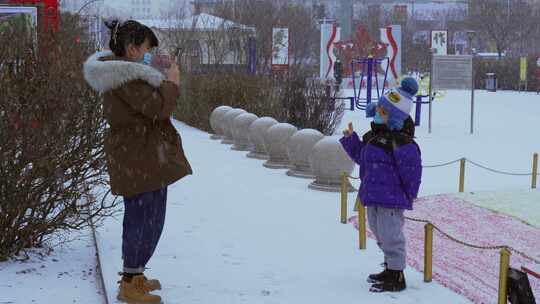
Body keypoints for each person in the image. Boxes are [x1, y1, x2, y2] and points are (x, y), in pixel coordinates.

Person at [83, 20, 193, 303]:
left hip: (143, 156)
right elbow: (158, 108)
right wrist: (172, 84)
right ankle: (129, 283)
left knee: (152, 217)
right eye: (147, 49)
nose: (150, 54)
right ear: (132, 49)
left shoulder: (129, 74)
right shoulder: (123, 78)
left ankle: (136, 275)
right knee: (141, 219)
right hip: (136, 158)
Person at [339, 77, 422, 293]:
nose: (378, 113)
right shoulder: (373, 136)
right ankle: (389, 267)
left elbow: (412, 173)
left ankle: (397, 275)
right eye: (379, 109)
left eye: (383, 111)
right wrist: (351, 140)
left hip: (391, 199)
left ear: (393, 116)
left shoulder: (402, 143)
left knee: (392, 236)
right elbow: (362, 157)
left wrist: (409, 195)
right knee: (380, 233)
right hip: (373, 196)